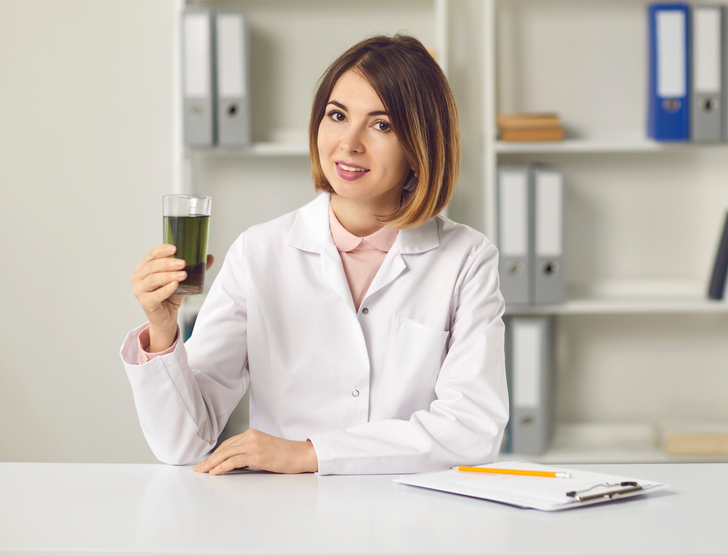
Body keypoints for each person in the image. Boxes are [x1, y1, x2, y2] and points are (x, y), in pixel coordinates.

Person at [123, 34, 508, 476]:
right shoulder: (260, 252)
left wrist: (308, 453)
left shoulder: (467, 259)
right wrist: (162, 329)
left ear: (420, 148)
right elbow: (182, 440)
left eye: (381, 125)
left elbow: (471, 430)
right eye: (337, 115)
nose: (349, 143)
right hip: (287, 519)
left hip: (412, 522)